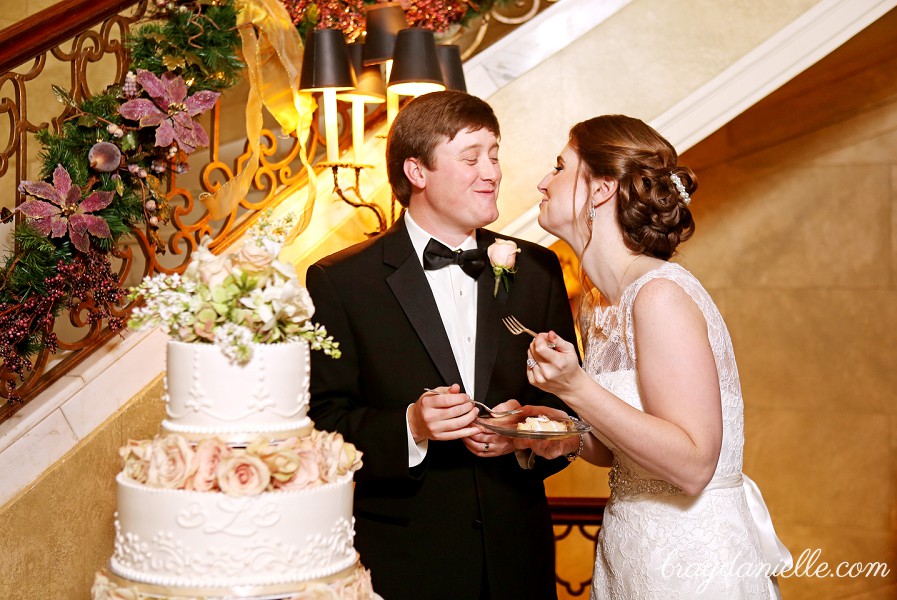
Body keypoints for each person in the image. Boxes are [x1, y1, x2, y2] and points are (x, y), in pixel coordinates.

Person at [305, 90, 577, 600]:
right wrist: (410, 426)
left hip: (518, 560)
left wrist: (525, 440)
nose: (492, 172)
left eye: (494, 154)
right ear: (417, 172)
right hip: (403, 564)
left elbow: (571, 412)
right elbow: (321, 425)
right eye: (471, 157)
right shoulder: (341, 281)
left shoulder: (537, 270)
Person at [519, 115, 792, 599]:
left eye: (559, 167)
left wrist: (575, 387)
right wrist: (567, 436)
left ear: (601, 190)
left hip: (694, 562)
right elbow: (625, 452)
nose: (543, 181)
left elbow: (691, 466)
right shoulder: (599, 304)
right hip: (630, 552)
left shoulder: (659, 295)